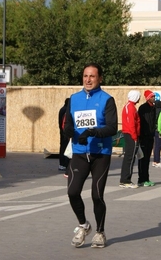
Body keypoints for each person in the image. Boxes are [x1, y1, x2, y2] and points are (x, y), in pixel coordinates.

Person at [64, 63, 118, 248]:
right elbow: (68, 123)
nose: (88, 80)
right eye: (85, 76)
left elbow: (112, 127)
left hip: (100, 154)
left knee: (97, 195)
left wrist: (93, 132)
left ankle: (100, 232)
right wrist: (68, 130)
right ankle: (83, 225)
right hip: (79, 153)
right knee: (72, 192)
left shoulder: (107, 99)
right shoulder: (74, 98)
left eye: (92, 76)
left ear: (100, 78)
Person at [120, 90, 141, 188]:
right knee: (130, 157)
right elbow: (131, 123)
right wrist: (134, 136)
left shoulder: (130, 107)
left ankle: (125, 179)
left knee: (129, 157)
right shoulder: (131, 108)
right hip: (130, 134)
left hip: (130, 134)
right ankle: (126, 180)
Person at [137, 90, 156, 186]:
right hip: (144, 136)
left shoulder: (153, 108)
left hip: (150, 136)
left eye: (154, 96)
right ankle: (141, 179)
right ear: (148, 98)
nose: (154, 98)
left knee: (147, 158)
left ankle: (146, 178)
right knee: (142, 159)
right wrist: (142, 134)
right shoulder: (143, 108)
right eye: (152, 97)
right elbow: (141, 122)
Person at [58, 98, 70, 175]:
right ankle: (64, 164)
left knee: (63, 147)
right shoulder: (66, 111)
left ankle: (62, 164)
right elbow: (64, 123)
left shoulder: (62, 109)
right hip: (65, 133)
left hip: (62, 132)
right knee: (66, 149)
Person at [152, 100, 161, 167]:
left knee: (156, 145)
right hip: (159, 129)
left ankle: (155, 160)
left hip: (154, 129)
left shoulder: (152, 110)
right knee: (159, 145)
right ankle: (157, 160)